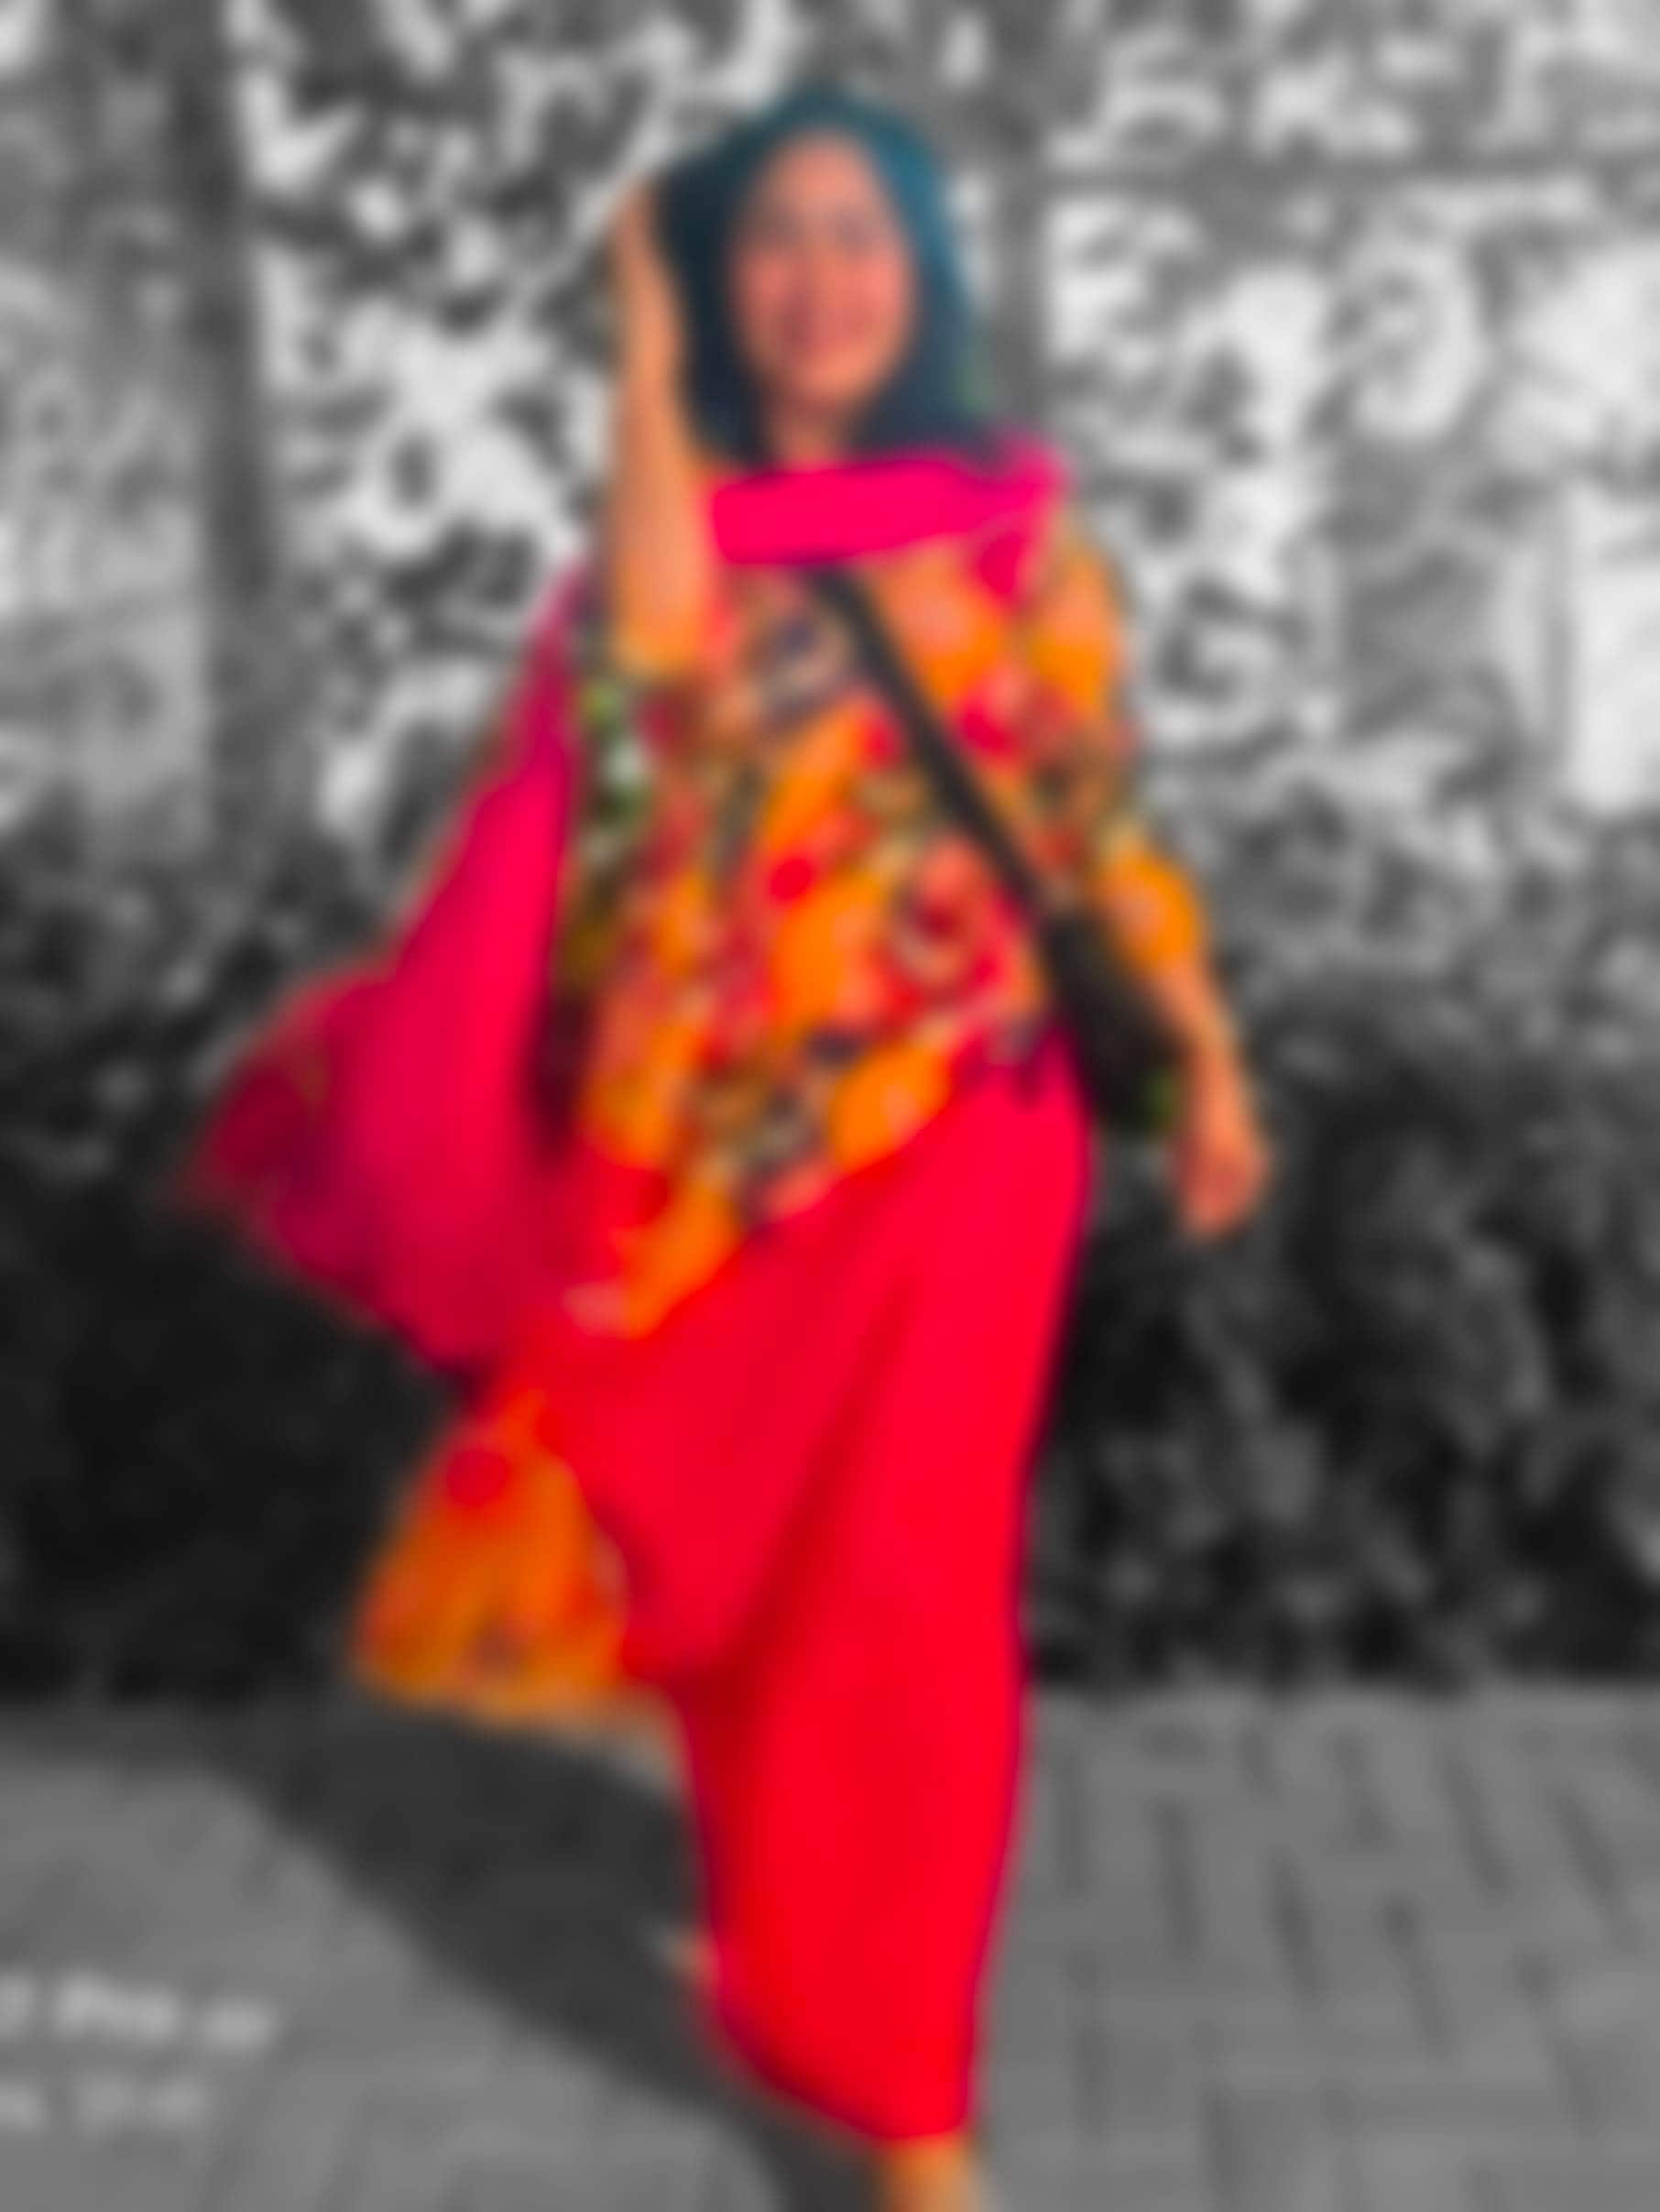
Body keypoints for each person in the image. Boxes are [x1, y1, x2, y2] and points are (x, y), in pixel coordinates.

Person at [180, 82, 1271, 2212]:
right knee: (745, 1582)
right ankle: (792, 1953)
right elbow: (658, 653)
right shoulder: (680, 530)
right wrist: (641, 343)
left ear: (923, 276)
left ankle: (909, 2096)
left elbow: (1094, 826)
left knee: (914, 1597)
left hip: (960, 1126)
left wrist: (1204, 1053)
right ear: (721, 281)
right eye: (776, 234)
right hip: (700, 1159)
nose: (823, 276)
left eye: (865, 234)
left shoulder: (1016, 539)